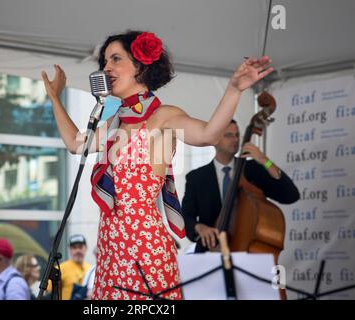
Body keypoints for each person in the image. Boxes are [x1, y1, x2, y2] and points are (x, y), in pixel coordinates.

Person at [41, 30, 273, 300]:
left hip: (145, 245)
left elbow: (209, 134)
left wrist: (234, 89)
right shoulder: (117, 120)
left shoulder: (164, 116)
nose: (107, 68)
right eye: (105, 61)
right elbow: (75, 143)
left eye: (116, 59)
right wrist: (55, 98)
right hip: (110, 246)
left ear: (140, 67)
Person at [182, 119, 300, 252]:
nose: (235, 139)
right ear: (214, 140)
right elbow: (185, 218)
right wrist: (198, 227)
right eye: (229, 135)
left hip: (248, 253)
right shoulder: (197, 177)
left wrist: (264, 160)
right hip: (210, 253)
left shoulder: (252, 170)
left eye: (237, 135)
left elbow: (290, 195)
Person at [54, 234, 91, 300]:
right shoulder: (60, 269)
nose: (78, 251)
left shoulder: (91, 269)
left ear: (86, 248)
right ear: (70, 250)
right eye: (74, 248)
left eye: (80, 247)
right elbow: (50, 293)